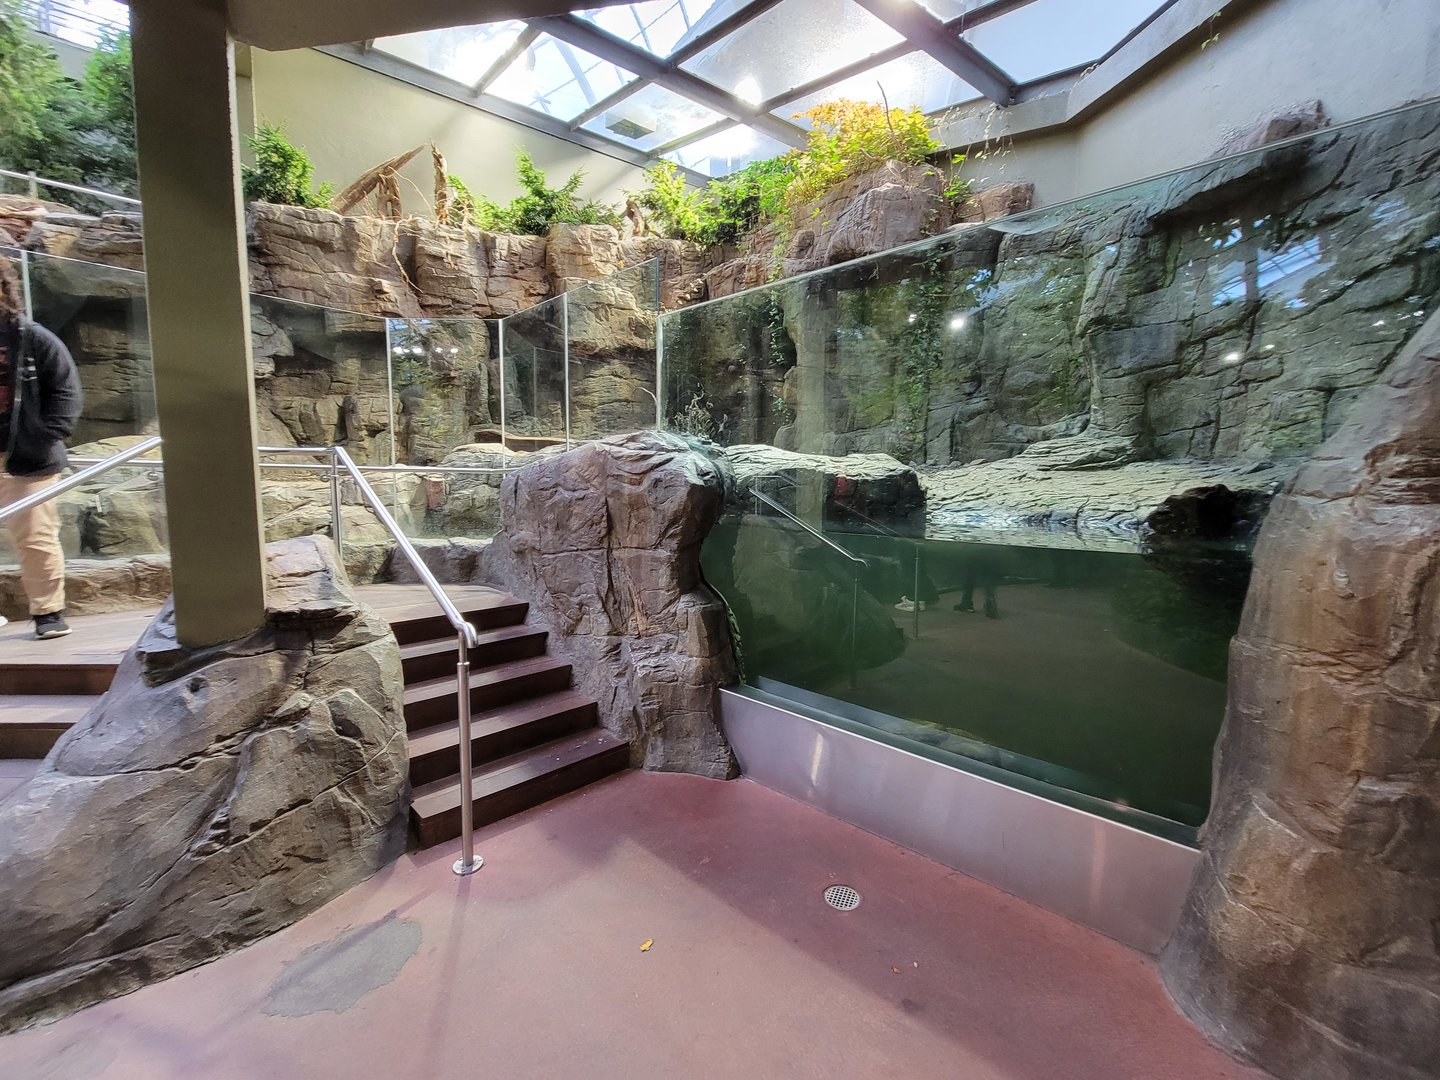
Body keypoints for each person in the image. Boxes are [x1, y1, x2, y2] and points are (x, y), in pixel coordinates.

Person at [0, 254, 83, 638]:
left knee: (35, 536)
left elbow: (66, 392)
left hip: (25, 457)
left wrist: (44, 436)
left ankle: (48, 613)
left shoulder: (33, 339)